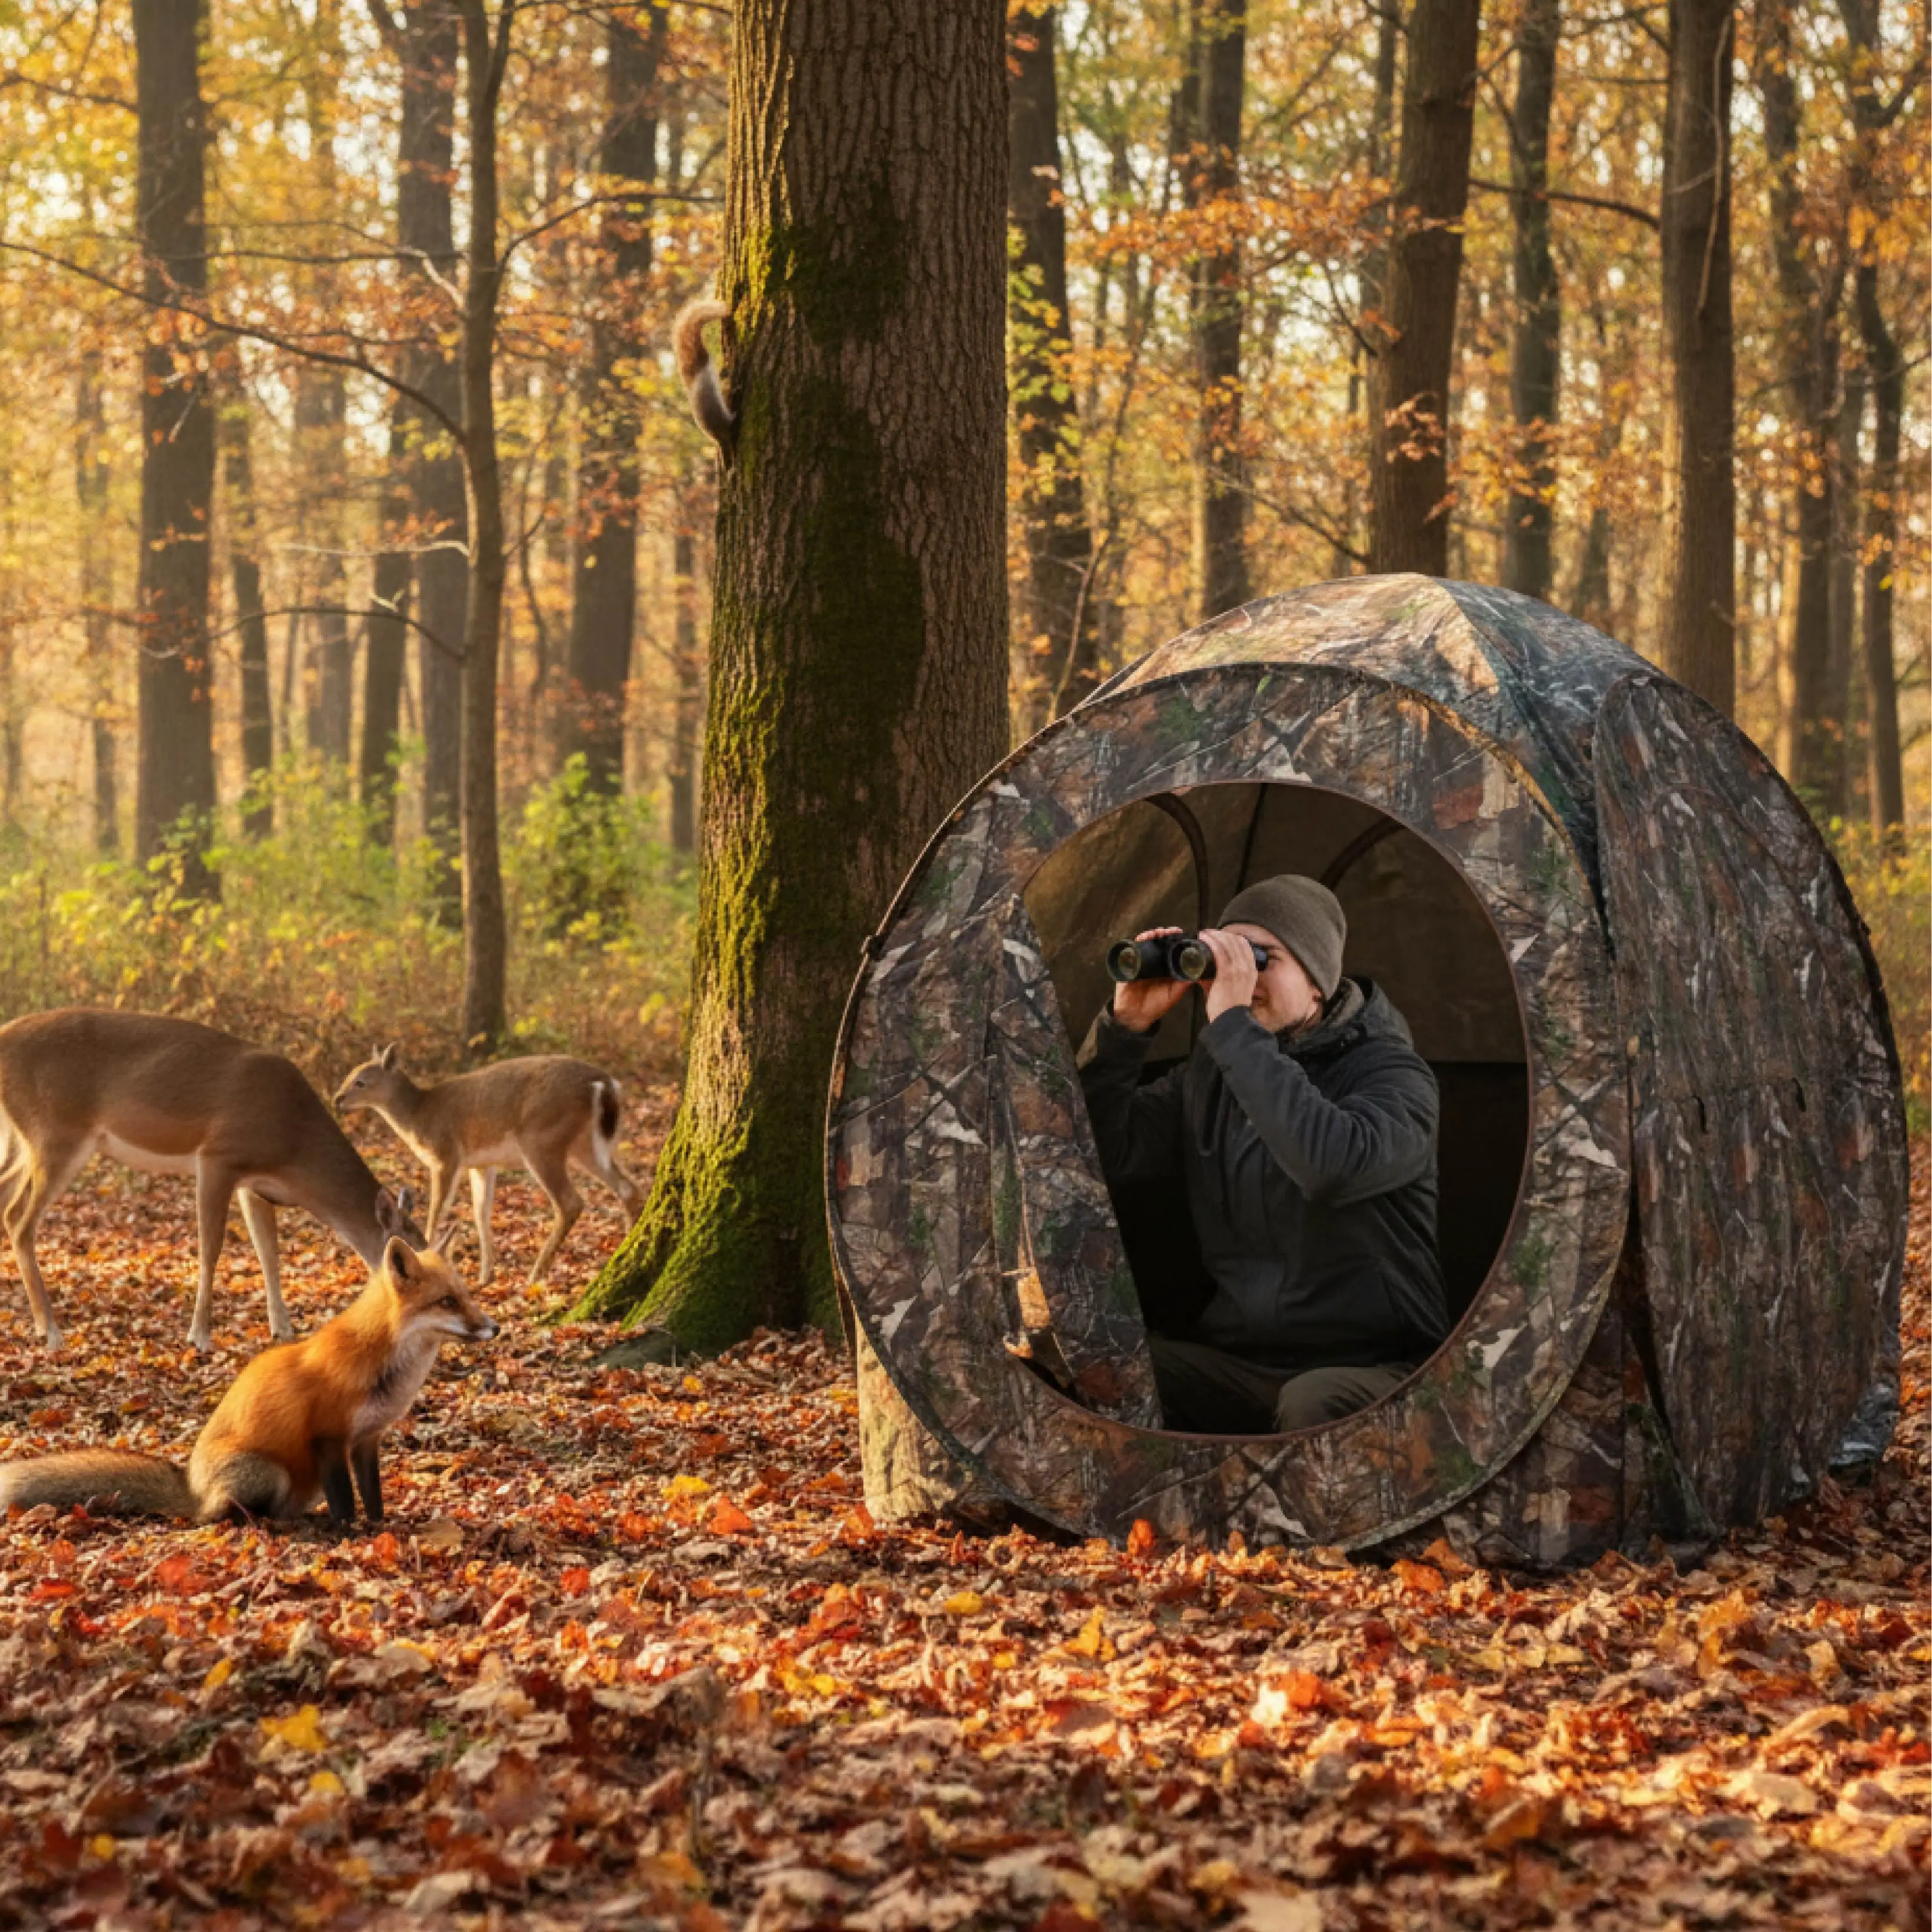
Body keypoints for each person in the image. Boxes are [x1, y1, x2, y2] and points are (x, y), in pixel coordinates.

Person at [1077, 873, 1448, 1433]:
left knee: (1312, 1402)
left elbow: (1330, 1165)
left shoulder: (1393, 1077)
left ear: (1319, 982)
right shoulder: (1214, 1074)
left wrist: (1231, 1027)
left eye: (1259, 959)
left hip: (1375, 1366)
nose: (1240, 979)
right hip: (1244, 1362)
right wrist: (1126, 1027)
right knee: (1111, 1368)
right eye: (1226, 961)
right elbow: (1094, 1155)